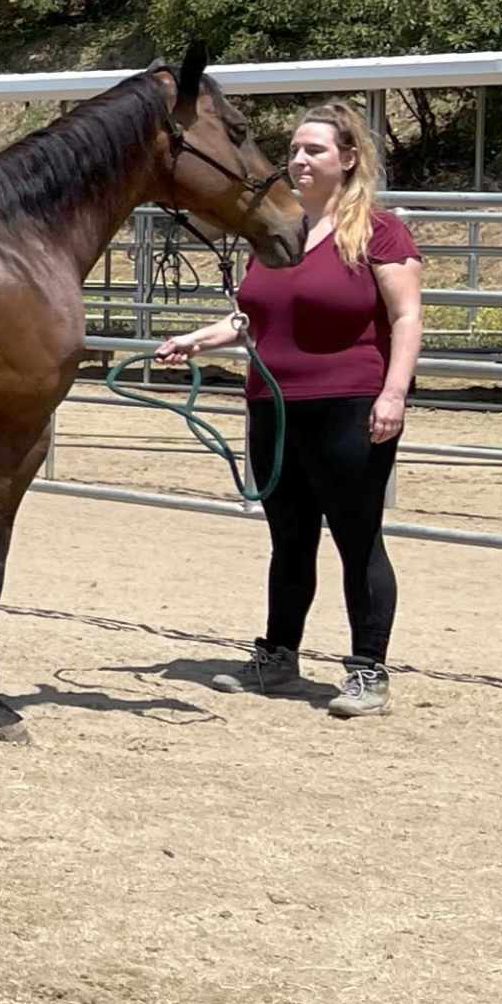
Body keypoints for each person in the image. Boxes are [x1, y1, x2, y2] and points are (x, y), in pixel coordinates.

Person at [151, 105, 424, 717]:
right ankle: (279, 656)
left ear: (348, 159)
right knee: (289, 538)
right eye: (295, 150)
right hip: (273, 405)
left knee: (358, 540)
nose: (298, 161)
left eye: (314, 151)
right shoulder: (279, 230)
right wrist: (198, 339)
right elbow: (256, 318)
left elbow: (406, 318)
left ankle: (367, 670)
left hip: (349, 404)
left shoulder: (378, 233)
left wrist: (393, 394)